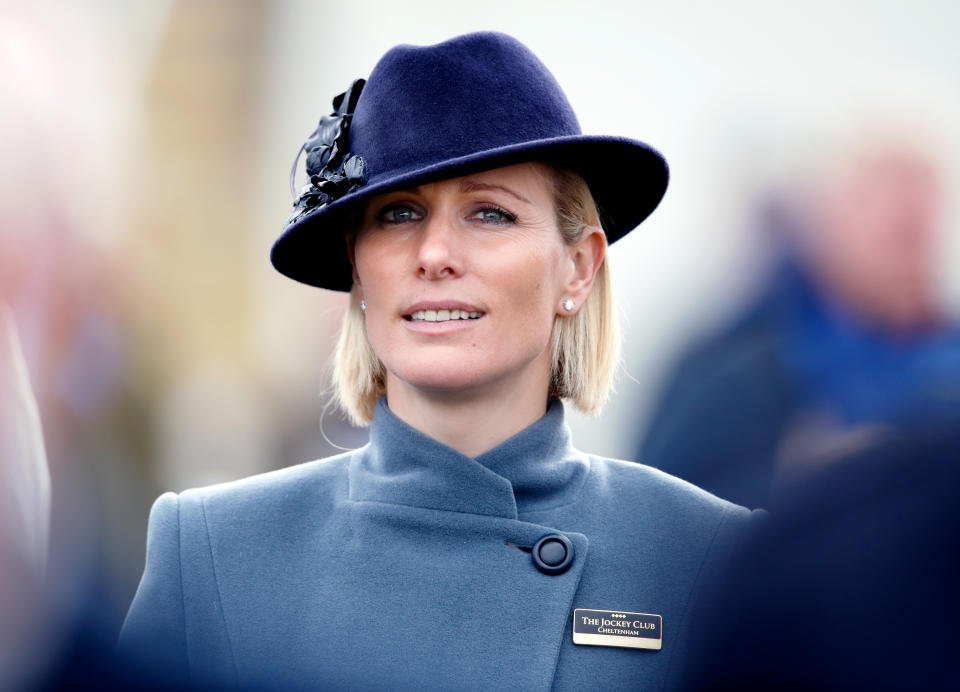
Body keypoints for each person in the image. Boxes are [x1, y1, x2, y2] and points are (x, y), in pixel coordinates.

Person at [118, 32, 754, 690]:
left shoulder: (708, 558)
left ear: (579, 267)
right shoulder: (214, 553)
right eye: (398, 213)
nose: (435, 253)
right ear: (358, 270)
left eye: (489, 213)